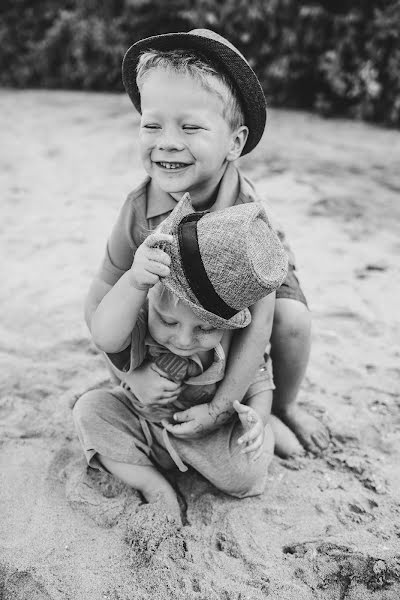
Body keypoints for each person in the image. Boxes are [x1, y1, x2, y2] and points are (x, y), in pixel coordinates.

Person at [84, 28, 329, 457]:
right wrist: (130, 377)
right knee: (145, 304)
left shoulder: (245, 213)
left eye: (191, 127)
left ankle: (281, 407)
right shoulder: (140, 211)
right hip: (181, 292)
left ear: (234, 143)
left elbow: (259, 325)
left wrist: (219, 409)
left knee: (294, 321)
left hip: (258, 263)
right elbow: (99, 300)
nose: (168, 141)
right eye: (152, 124)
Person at [73, 196, 288, 514]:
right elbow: (104, 336)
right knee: (90, 411)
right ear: (149, 304)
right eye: (170, 321)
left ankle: (271, 430)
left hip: (207, 436)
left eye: (204, 329)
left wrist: (257, 416)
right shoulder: (141, 320)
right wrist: (134, 281)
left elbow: (258, 376)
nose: (184, 339)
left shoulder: (233, 342)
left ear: (227, 325)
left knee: (246, 472)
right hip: (145, 421)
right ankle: (152, 483)